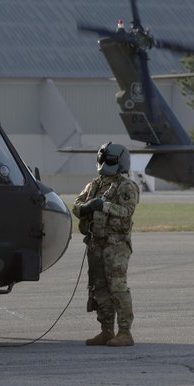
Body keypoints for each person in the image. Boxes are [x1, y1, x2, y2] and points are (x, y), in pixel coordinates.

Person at [72, 142, 140, 347]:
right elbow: (76, 206)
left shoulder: (126, 186)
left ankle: (125, 332)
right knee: (98, 288)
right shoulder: (94, 185)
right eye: (102, 159)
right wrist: (86, 207)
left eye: (108, 160)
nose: (104, 163)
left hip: (115, 245)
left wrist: (104, 205)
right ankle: (107, 330)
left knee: (117, 287)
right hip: (95, 243)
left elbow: (127, 211)